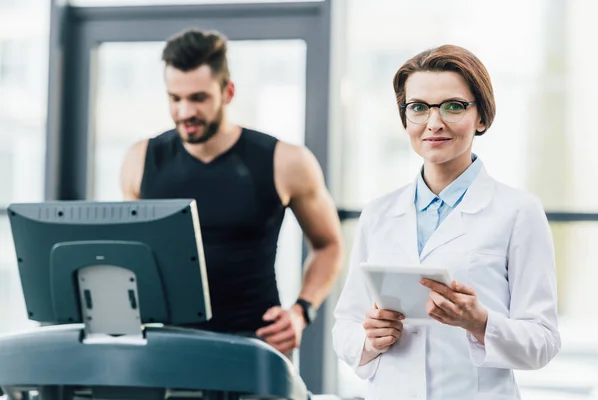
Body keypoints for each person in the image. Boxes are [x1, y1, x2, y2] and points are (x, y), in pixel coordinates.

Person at [332, 45, 561, 399]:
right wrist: (370, 338)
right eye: (419, 108)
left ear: (481, 118)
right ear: (406, 118)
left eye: (453, 106)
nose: (434, 123)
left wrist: (480, 323)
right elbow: (345, 325)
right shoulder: (378, 213)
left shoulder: (519, 212)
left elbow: (543, 341)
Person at [120, 28, 343, 355]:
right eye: (175, 98)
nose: (185, 112)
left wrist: (300, 311)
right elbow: (134, 255)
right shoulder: (139, 160)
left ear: (228, 92)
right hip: (163, 344)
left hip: (255, 344)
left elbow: (329, 245)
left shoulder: (286, 161)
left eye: (198, 98)